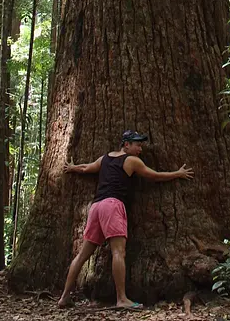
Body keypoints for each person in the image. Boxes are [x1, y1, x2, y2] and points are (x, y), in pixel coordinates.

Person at [58, 129, 194, 309]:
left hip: (96, 207)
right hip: (112, 206)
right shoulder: (131, 161)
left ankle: (64, 297)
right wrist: (177, 174)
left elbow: (86, 168)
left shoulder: (105, 158)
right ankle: (121, 299)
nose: (140, 149)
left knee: (83, 254)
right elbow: (153, 176)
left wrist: (72, 168)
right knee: (118, 252)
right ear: (126, 144)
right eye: (137, 145)